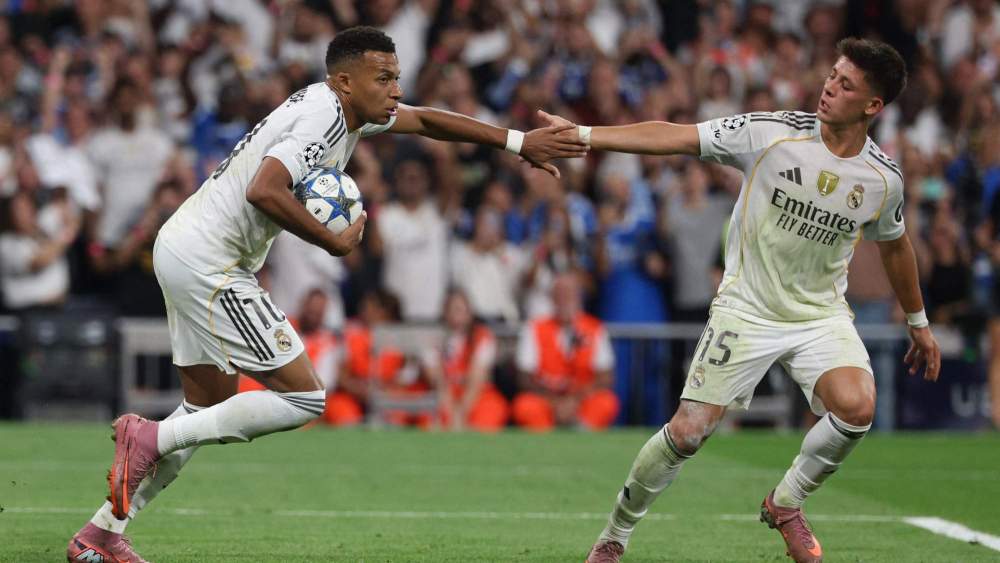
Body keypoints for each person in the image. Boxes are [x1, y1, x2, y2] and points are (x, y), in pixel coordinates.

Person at [67, 26, 586, 561]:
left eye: (397, 78)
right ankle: (149, 439)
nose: (396, 90)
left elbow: (429, 120)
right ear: (344, 81)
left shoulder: (343, 111)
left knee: (207, 408)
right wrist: (332, 242)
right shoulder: (325, 117)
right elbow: (263, 188)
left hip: (184, 246)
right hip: (210, 261)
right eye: (383, 78)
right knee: (304, 397)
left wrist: (518, 141)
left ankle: (100, 534)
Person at [554, 38, 943, 563]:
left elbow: (896, 246)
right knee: (688, 433)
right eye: (832, 74)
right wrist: (583, 134)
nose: (829, 87)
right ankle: (615, 535)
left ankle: (786, 503)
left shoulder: (882, 179)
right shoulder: (770, 132)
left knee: (857, 408)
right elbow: (675, 137)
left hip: (819, 316)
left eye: (846, 84)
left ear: (873, 106)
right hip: (746, 309)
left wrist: (918, 321)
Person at [513, 272, 619, 431]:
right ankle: (545, 440)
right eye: (560, 294)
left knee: (607, 402)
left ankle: (583, 433)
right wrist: (555, 403)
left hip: (582, 400)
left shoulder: (595, 328)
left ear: (579, 296)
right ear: (552, 298)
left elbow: (606, 377)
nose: (564, 299)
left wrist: (574, 401)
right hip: (546, 401)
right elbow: (524, 378)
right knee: (524, 406)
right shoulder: (534, 328)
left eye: (569, 294)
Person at [423, 288, 508, 432]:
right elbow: (436, 380)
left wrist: (461, 412)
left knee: (490, 413)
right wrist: (451, 412)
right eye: (453, 309)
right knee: (430, 418)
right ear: (445, 312)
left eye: (461, 310)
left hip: (474, 394)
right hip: (444, 395)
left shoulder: (482, 336)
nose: (457, 315)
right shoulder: (432, 338)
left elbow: (476, 380)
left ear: (470, 312)